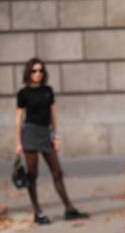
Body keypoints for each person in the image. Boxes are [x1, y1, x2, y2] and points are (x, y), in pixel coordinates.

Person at [16, 57, 89, 224]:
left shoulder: (48, 90)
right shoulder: (23, 93)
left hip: (45, 134)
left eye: (41, 70)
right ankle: (37, 212)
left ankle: (69, 208)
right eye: (34, 71)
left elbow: (54, 115)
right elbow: (19, 119)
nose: (38, 74)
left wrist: (56, 136)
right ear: (29, 72)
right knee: (32, 175)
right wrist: (19, 142)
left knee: (57, 172)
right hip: (30, 135)